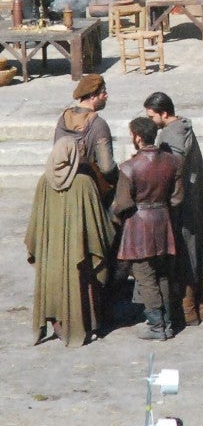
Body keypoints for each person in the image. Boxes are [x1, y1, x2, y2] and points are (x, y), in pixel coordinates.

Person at [25, 135, 115, 347]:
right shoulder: (84, 183)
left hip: (50, 252)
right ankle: (82, 325)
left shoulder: (43, 182)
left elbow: (35, 224)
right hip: (78, 251)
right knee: (81, 287)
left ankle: (57, 325)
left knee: (53, 285)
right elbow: (100, 227)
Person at [144, 91, 203, 327]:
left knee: (185, 252)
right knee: (199, 246)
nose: (151, 122)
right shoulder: (185, 127)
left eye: (152, 116)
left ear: (164, 113)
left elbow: (171, 168)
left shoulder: (170, 134)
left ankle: (189, 309)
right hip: (195, 198)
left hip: (182, 202)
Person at [112, 117, 184, 341]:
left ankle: (157, 327)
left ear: (138, 137)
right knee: (162, 274)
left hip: (138, 226)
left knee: (145, 276)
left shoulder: (128, 167)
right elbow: (177, 198)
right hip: (163, 222)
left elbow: (123, 203)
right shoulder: (172, 162)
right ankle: (169, 324)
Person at [54, 73, 117, 203]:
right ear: (93, 96)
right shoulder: (98, 124)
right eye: (103, 92)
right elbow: (107, 167)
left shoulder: (62, 119)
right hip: (88, 190)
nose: (106, 96)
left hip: (63, 187)